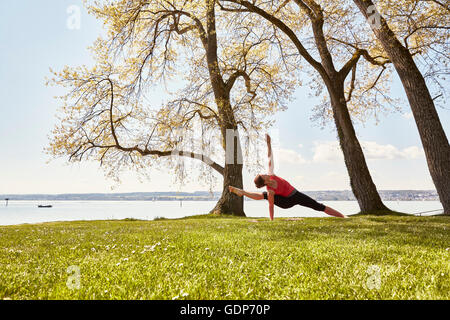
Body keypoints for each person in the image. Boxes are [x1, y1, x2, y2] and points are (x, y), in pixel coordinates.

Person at [229, 134, 348, 220]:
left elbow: (270, 157)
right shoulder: (270, 191)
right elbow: (271, 205)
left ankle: (343, 216)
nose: (264, 173)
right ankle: (243, 192)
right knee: (265, 196)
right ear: (264, 181)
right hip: (285, 202)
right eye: (262, 175)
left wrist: (268, 144)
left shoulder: (271, 174)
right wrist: (271, 220)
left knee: (317, 206)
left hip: (295, 194)